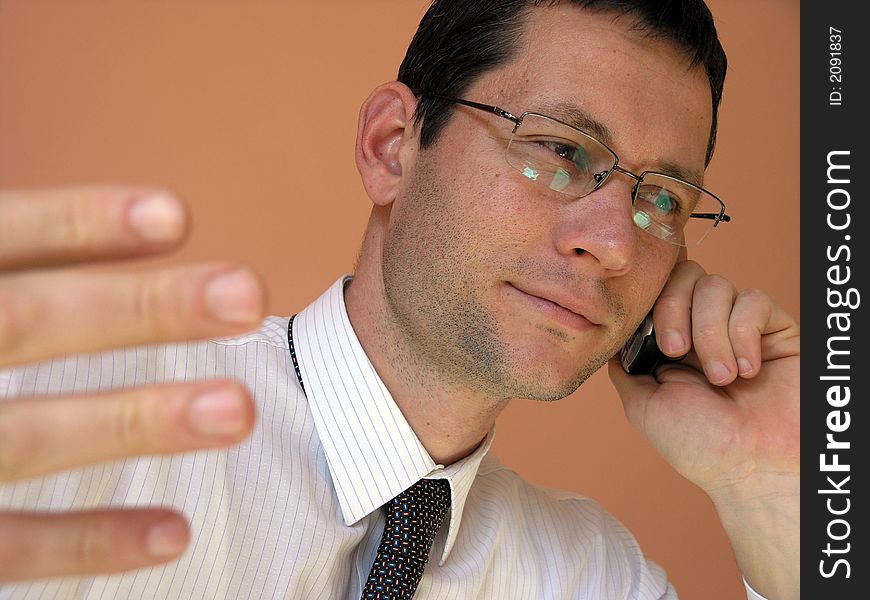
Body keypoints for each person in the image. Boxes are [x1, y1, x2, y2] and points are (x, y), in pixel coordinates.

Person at [0, 0, 799, 598]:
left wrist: (776, 486)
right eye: (561, 148)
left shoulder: (592, 578)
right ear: (393, 147)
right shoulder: (77, 423)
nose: (618, 243)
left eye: (662, 197)